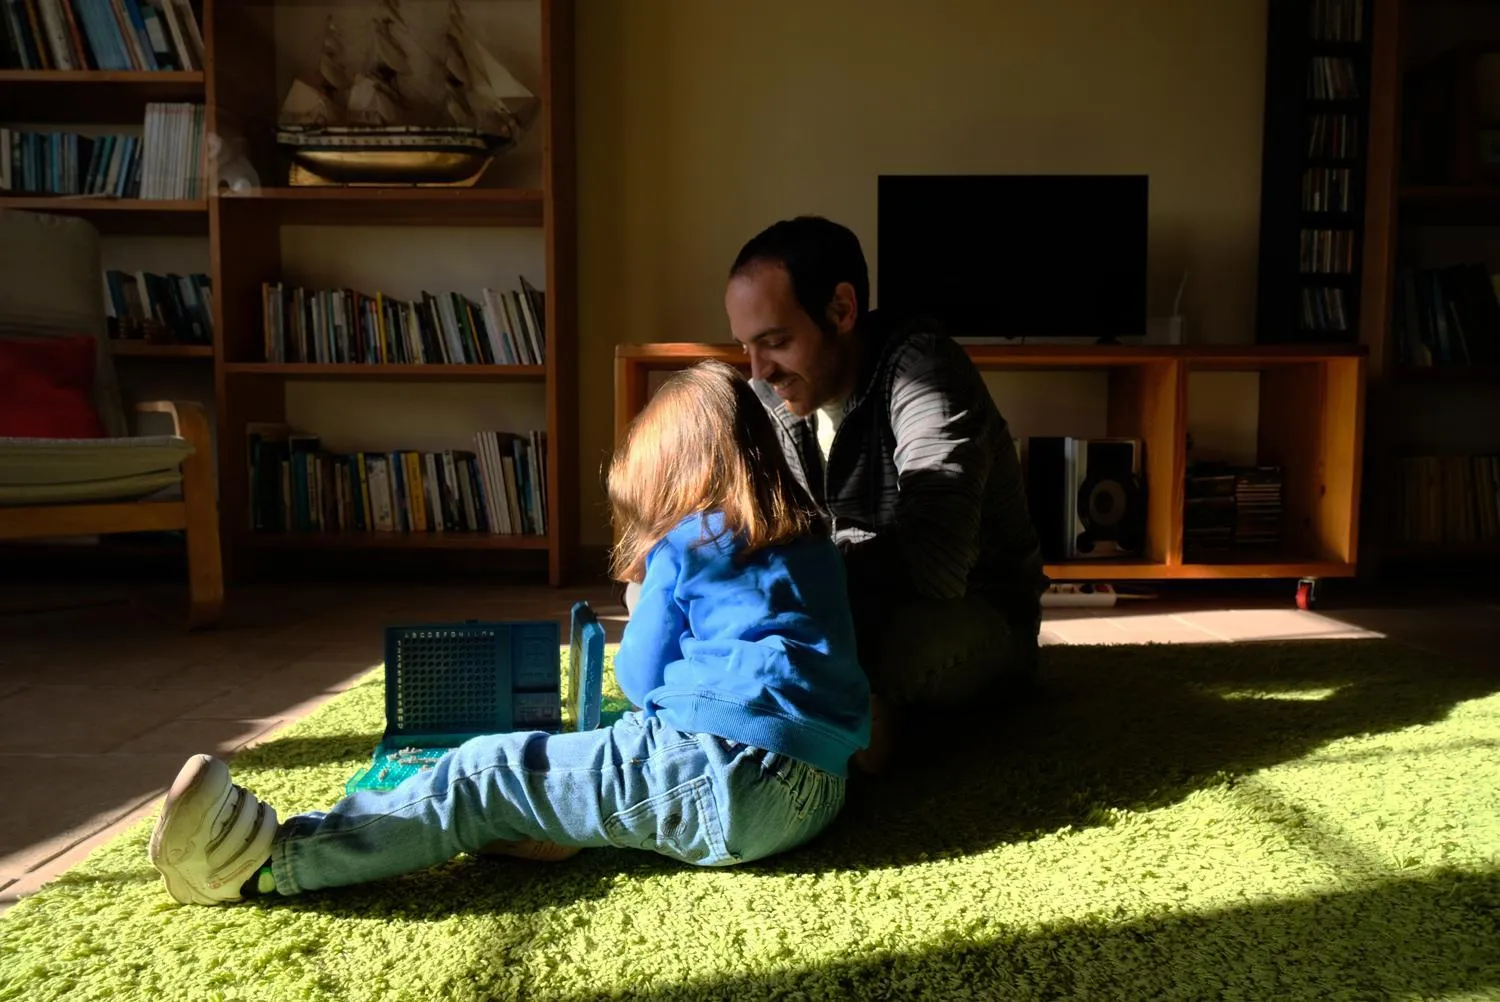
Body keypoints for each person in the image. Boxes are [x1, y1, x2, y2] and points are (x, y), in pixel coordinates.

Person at [147, 360, 871, 905]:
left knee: (483, 770)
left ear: (677, 484)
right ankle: (553, 826)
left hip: (725, 782)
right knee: (565, 776)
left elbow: (640, 680)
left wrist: (642, 592)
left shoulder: (690, 541)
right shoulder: (812, 542)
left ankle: (264, 861)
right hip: (818, 793)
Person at [722, 215, 1048, 767]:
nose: (758, 372)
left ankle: (841, 730)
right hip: (847, 602)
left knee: (878, 652)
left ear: (842, 310)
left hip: (972, 611)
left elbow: (936, 566)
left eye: (775, 342)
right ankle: (849, 720)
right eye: (747, 347)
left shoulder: (926, 375)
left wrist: (791, 575)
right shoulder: (774, 394)